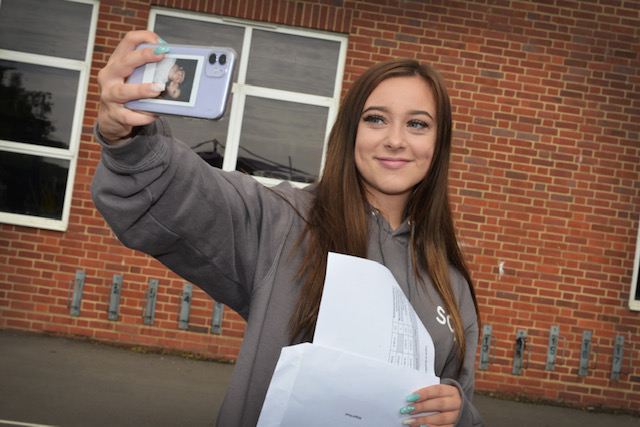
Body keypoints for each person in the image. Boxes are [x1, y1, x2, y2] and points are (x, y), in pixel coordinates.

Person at [92, 30, 484, 427]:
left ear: (439, 144)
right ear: (350, 132)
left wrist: (457, 413)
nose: (396, 140)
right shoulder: (286, 223)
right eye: (376, 119)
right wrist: (126, 137)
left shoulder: (451, 283)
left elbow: (459, 397)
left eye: (417, 124)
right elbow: (184, 190)